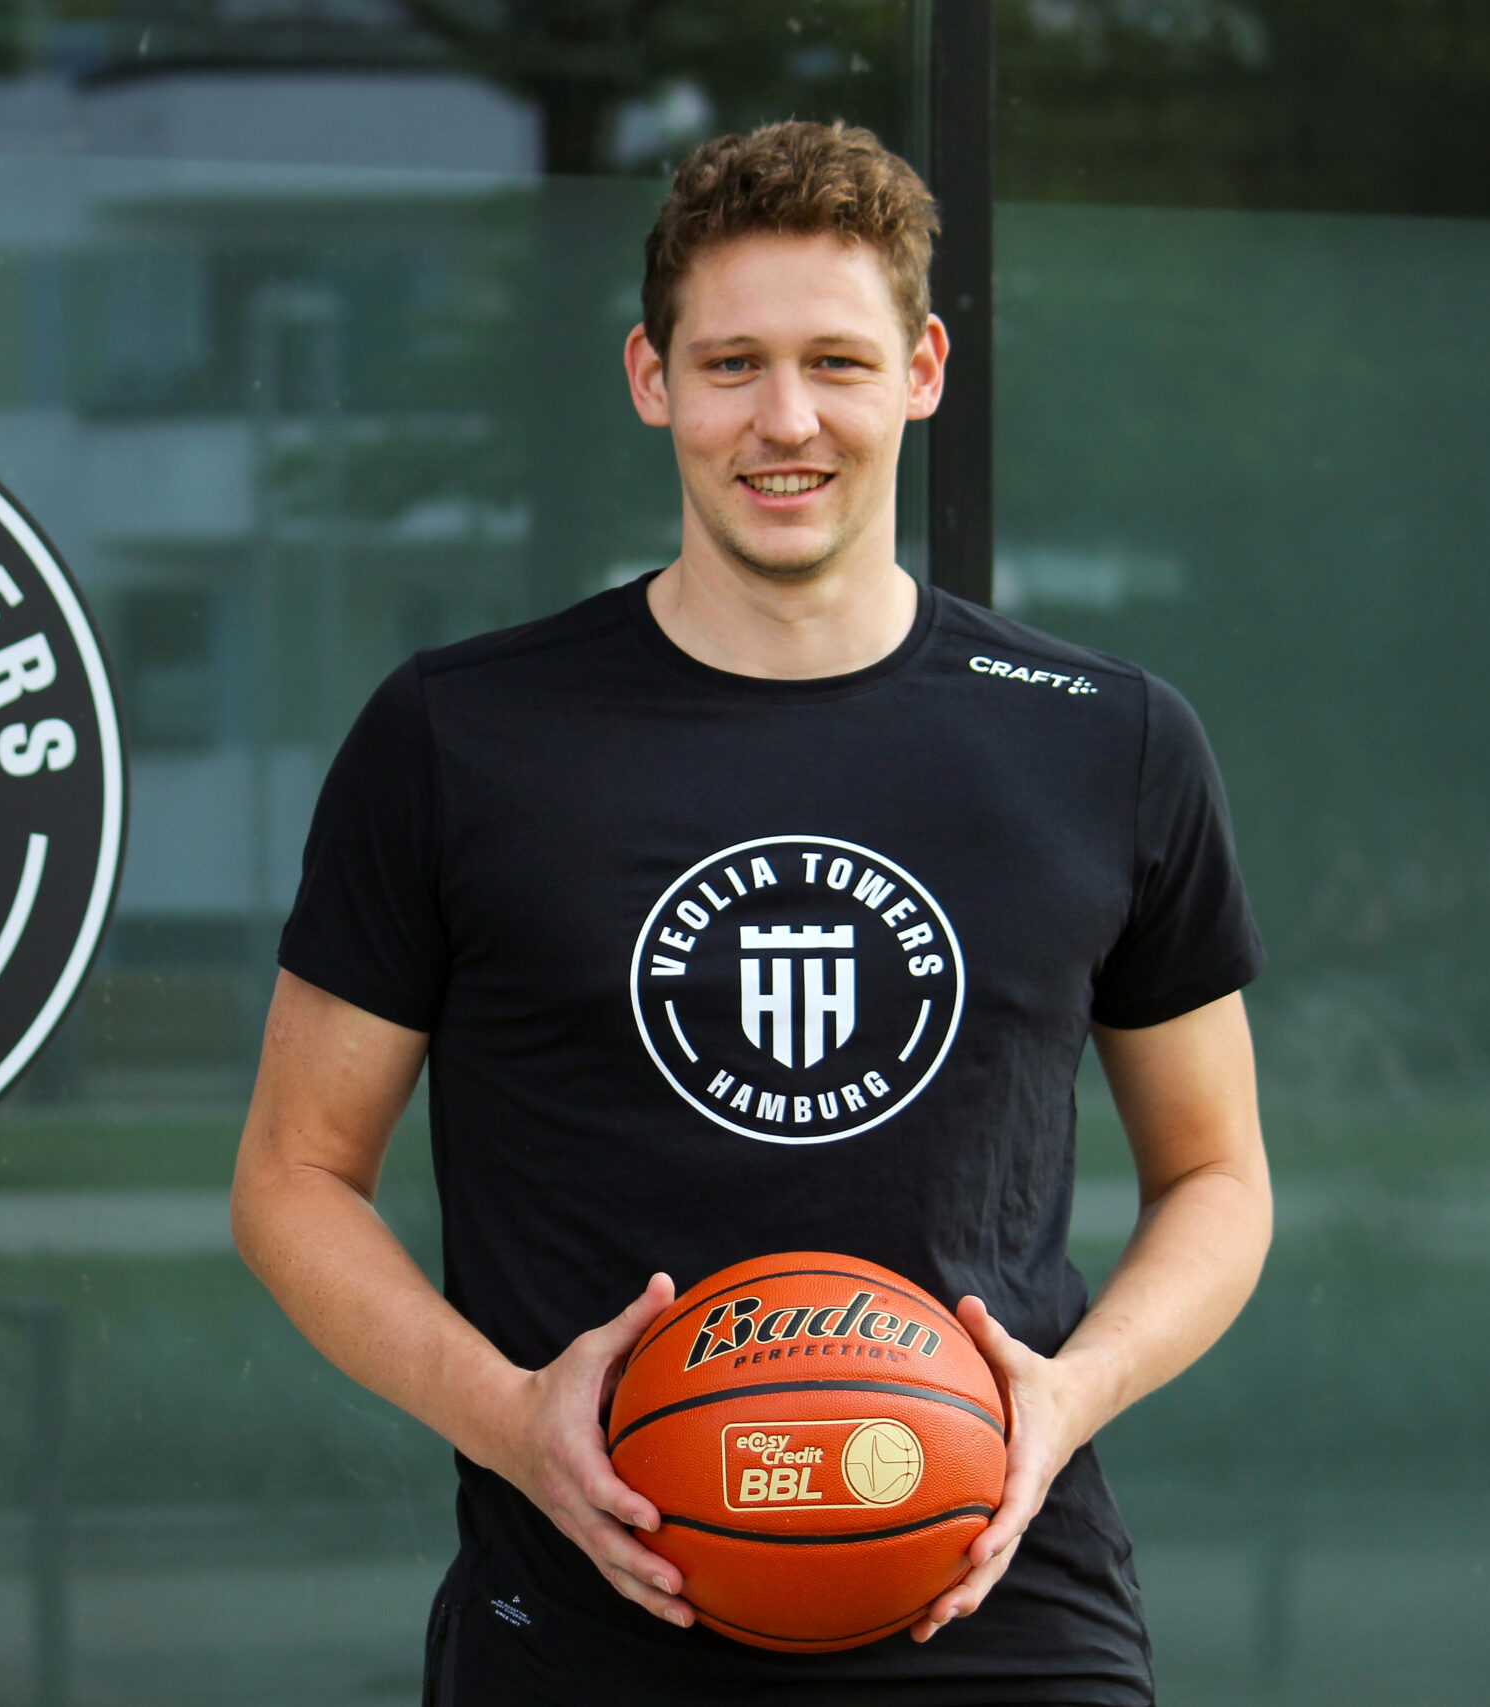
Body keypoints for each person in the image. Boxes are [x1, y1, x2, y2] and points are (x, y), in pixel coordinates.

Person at [231, 120, 1270, 1704]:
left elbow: (1217, 1173)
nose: (785, 422)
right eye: (730, 366)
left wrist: (1069, 1395)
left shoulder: (1103, 740)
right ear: (650, 376)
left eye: (836, 363)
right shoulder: (461, 736)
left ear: (922, 370)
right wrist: (512, 1417)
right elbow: (293, 1176)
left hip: (1000, 1613)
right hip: (590, 1623)